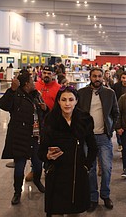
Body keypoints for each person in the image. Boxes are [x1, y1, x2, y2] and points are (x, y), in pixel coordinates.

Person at [38, 86, 98, 217]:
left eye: (71, 99)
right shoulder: (50, 120)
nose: (67, 103)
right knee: (56, 211)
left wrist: (86, 166)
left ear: (76, 101)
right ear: (58, 101)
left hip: (77, 175)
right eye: (63, 99)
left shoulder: (84, 120)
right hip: (56, 174)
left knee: (75, 212)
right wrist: (47, 156)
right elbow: (41, 150)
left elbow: (93, 147)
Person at [0, 70, 48, 205]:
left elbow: (42, 113)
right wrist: (11, 90)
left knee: (38, 165)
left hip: (36, 137)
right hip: (21, 137)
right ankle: (17, 192)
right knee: (19, 167)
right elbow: (3, 104)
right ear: (26, 84)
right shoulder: (16, 96)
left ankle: (37, 181)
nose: (34, 83)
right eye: (32, 81)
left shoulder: (36, 95)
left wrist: (44, 109)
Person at [77, 67, 119, 212]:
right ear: (90, 77)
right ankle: (93, 197)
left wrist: (111, 129)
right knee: (91, 169)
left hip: (103, 137)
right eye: (94, 76)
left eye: (99, 76)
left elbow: (116, 113)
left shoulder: (110, 93)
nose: (97, 79)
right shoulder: (81, 93)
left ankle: (105, 194)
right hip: (87, 138)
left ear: (103, 77)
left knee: (107, 168)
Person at [25, 65, 61, 182]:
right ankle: (34, 169)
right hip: (37, 123)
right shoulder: (35, 86)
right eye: (44, 73)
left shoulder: (58, 88)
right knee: (35, 146)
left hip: (51, 122)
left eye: (49, 73)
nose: (46, 75)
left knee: (49, 145)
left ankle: (48, 168)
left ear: (53, 75)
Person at [112, 70, 126, 152]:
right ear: (121, 78)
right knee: (118, 126)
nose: (125, 80)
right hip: (118, 108)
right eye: (123, 78)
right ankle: (120, 143)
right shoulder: (116, 86)